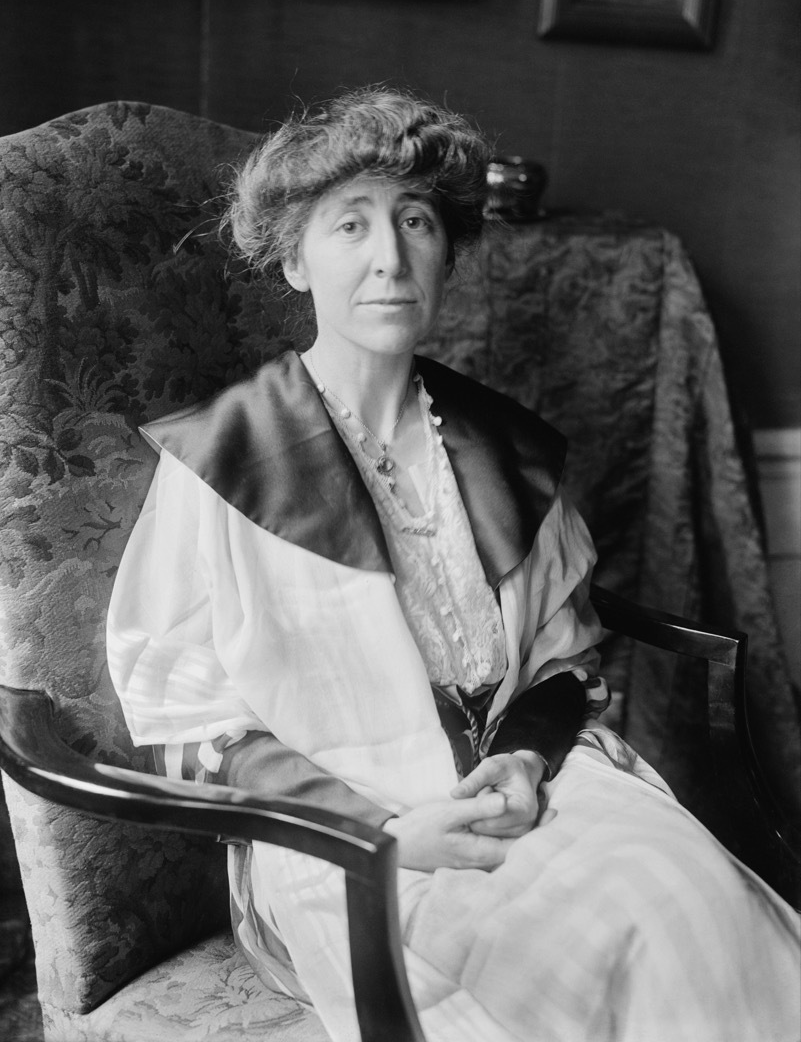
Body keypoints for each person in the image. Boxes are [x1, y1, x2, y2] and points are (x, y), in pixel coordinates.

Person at [107, 87, 800, 1042]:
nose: (390, 257)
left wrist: (521, 758)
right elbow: (190, 724)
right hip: (332, 837)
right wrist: (381, 834)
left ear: (447, 252)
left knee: (687, 900)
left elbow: (561, 665)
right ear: (293, 261)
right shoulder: (223, 461)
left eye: (417, 221)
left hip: (524, 783)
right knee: (555, 956)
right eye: (349, 225)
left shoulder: (505, 450)